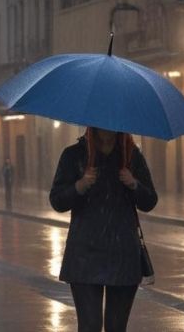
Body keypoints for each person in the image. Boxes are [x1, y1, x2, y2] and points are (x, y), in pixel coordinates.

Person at [49, 127, 158, 332]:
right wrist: (79, 186)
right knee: (90, 326)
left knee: (116, 327)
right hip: (84, 256)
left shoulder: (131, 157)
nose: (107, 129)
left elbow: (150, 201)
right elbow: (57, 200)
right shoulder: (74, 155)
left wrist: (133, 183)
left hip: (123, 254)